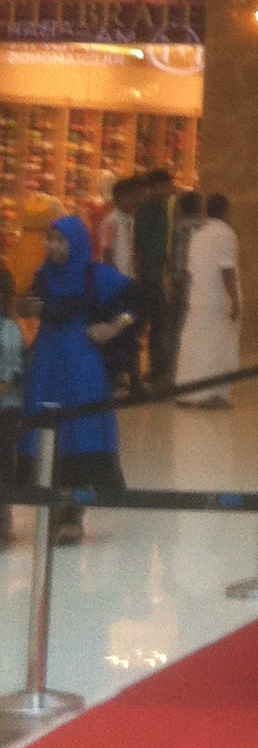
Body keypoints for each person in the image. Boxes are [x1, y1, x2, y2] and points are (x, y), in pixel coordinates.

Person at [20, 214, 135, 544]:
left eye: (60, 239)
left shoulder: (93, 275)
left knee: (79, 433)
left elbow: (138, 300)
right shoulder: (43, 276)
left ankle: (74, 513)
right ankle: (55, 509)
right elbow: (33, 305)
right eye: (50, 238)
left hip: (81, 363)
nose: (53, 245)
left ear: (77, 242)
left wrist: (114, 326)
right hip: (47, 363)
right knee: (48, 433)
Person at [176, 194, 241, 405]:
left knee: (194, 344)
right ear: (226, 211)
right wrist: (235, 300)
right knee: (216, 346)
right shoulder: (225, 233)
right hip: (216, 300)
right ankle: (210, 394)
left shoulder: (199, 234)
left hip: (197, 297)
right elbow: (227, 270)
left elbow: (190, 270)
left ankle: (187, 392)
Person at [124, 168, 174, 393]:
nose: (170, 189)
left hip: (155, 274)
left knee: (157, 323)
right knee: (145, 325)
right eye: (167, 185)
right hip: (147, 276)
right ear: (156, 187)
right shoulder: (147, 210)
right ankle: (141, 373)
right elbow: (139, 246)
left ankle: (155, 371)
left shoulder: (160, 209)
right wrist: (139, 276)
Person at [154, 189, 202, 391]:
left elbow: (177, 257)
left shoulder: (179, 228)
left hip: (182, 283)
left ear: (181, 207)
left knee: (174, 330)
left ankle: (172, 375)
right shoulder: (204, 227)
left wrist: (172, 281)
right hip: (199, 285)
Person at [0, 267, 22, 545]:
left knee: (3, 466)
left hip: (5, 409)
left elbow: (11, 374)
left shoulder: (10, 330)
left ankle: (3, 524)